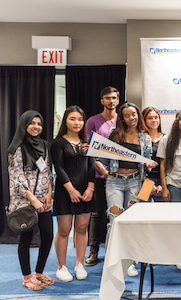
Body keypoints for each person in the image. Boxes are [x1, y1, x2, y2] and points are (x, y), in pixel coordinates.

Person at [101, 102, 156, 277]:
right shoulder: (114, 134)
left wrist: (148, 164)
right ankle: (112, 262)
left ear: (137, 115)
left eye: (133, 114)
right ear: (122, 118)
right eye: (127, 115)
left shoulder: (145, 138)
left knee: (131, 223)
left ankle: (129, 262)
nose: (131, 118)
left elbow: (146, 164)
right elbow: (103, 157)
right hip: (114, 182)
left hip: (135, 183)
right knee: (114, 222)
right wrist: (105, 171)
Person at [7, 111, 54, 290]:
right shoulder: (16, 148)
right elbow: (17, 176)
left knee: (48, 236)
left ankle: (39, 274)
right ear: (24, 125)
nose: (36, 127)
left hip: (44, 199)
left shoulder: (44, 145)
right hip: (25, 202)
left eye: (39, 123)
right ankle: (27, 278)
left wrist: (49, 193)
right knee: (25, 239)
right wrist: (33, 199)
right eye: (32, 123)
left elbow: (48, 171)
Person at [51, 105, 95, 282]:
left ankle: (79, 263)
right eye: (72, 119)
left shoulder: (87, 142)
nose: (77, 123)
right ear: (65, 121)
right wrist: (70, 190)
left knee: (82, 228)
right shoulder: (58, 142)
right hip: (65, 191)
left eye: (80, 119)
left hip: (86, 191)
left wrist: (90, 188)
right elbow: (59, 168)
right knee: (64, 229)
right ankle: (62, 267)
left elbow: (91, 167)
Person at [84, 86, 119, 267]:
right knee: (98, 214)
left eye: (113, 98)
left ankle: (119, 251)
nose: (111, 101)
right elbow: (89, 151)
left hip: (121, 178)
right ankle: (94, 251)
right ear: (101, 101)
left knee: (119, 214)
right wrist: (105, 172)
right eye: (107, 98)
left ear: (118, 100)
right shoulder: (93, 122)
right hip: (99, 176)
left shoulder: (123, 121)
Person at [157, 108, 181, 202]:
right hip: (173, 183)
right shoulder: (166, 140)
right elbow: (162, 165)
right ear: (176, 120)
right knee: (176, 213)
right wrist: (165, 188)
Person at [143, 107, 164, 202]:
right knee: (143, 212)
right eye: (150, 118)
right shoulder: (140, 138)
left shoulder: (166, 138)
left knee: (161, 213)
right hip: (145, 181)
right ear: (144, 120)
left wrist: (163, 184)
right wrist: (147, 183)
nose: (154, 120)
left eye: (156, 117)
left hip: (162, 182)